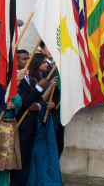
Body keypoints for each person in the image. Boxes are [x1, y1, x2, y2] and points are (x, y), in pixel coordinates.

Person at [11, 52, 56, 186]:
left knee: (26, 162)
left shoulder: (29, 77)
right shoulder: (16, 79)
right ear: (17, 62)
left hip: (31, 124)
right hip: (21, 124)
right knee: (19, 161)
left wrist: (37, 105)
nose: (28, 61)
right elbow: (25, 102)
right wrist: (38, 87)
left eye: (29, 58)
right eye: (24, 59)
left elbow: (39, 100)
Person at [40, 41, 63, 155]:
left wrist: (56, 102)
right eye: (47, 47)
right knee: (49, 142)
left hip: (56, 109)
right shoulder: (41, 67)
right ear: (42, 49)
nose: (50, 50)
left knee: (59, 142)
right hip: (46, 110)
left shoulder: (58, 66)